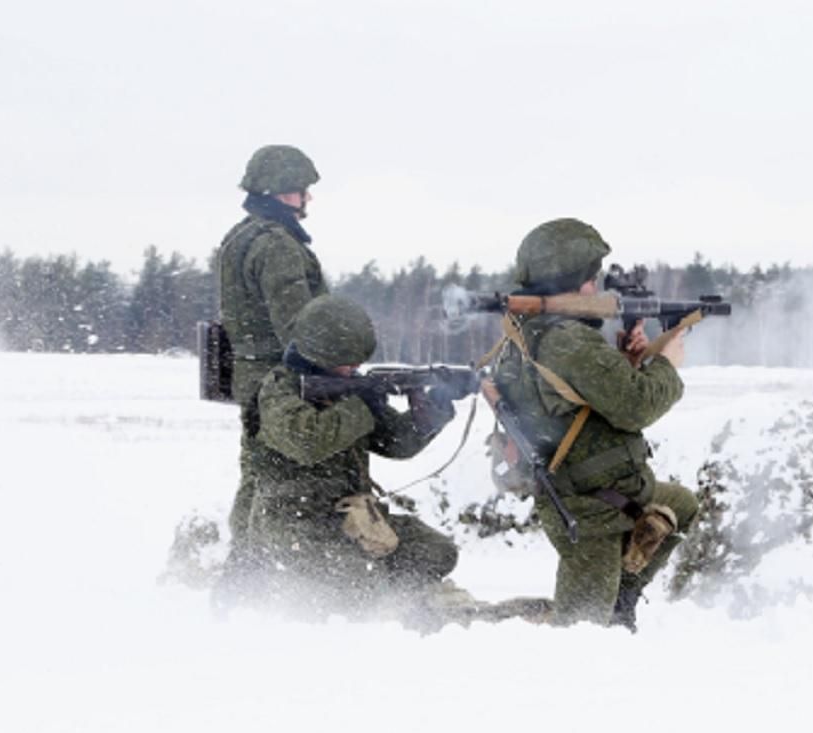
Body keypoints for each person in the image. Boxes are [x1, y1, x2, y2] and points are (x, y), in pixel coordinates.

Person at [490, 218, 698, 630]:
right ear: (574, 279)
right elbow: (637, 406)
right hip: (588, 507)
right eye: (591, 278)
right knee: (580, 634)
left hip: (598, 492)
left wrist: (626, 363)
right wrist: (666, 363)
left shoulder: (535, 332)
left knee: (680, 505)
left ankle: (620, 604)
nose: (596, 287)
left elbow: (574, 398)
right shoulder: (567, 339)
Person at [214, 295, 461, 623]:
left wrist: (434, 407)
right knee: (363, 588)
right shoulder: (278, 391)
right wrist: (361, 404)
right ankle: (315, 595)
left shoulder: (347, 387)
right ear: (320, 354)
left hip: (350, 520)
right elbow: (308, 441)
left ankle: (368, 589)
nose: (353, 369)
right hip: (293, 524)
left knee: (437, 552)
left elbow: (396, 444)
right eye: (345, 362)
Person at [216, 144, 328, 555]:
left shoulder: (240, 237)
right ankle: (259, 568)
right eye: (301, 189)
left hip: (253, 377)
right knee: (279, 480)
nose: (307, 197)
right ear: (281, 191)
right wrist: (332, 368)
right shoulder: (277, 245)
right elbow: (298, 325)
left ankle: (243, 563)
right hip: (280, 380)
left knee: (257, 473)